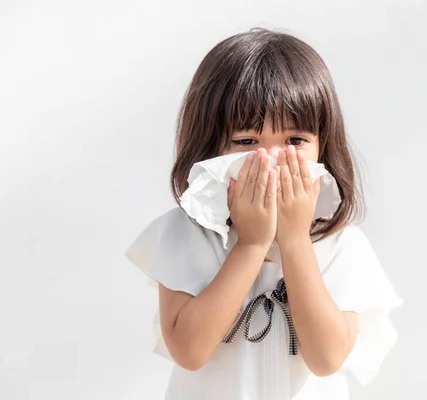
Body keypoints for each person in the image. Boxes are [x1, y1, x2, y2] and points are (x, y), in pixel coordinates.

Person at [125, 27, 403, 400]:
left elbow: (327, 358)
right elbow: (189, 352)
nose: (271, 160)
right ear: (211, 148)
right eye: (246, 142)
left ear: (323, 146)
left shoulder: (340, 243)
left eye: (294, 142)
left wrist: (294, 240)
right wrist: (252, 244)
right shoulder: (184, 232)